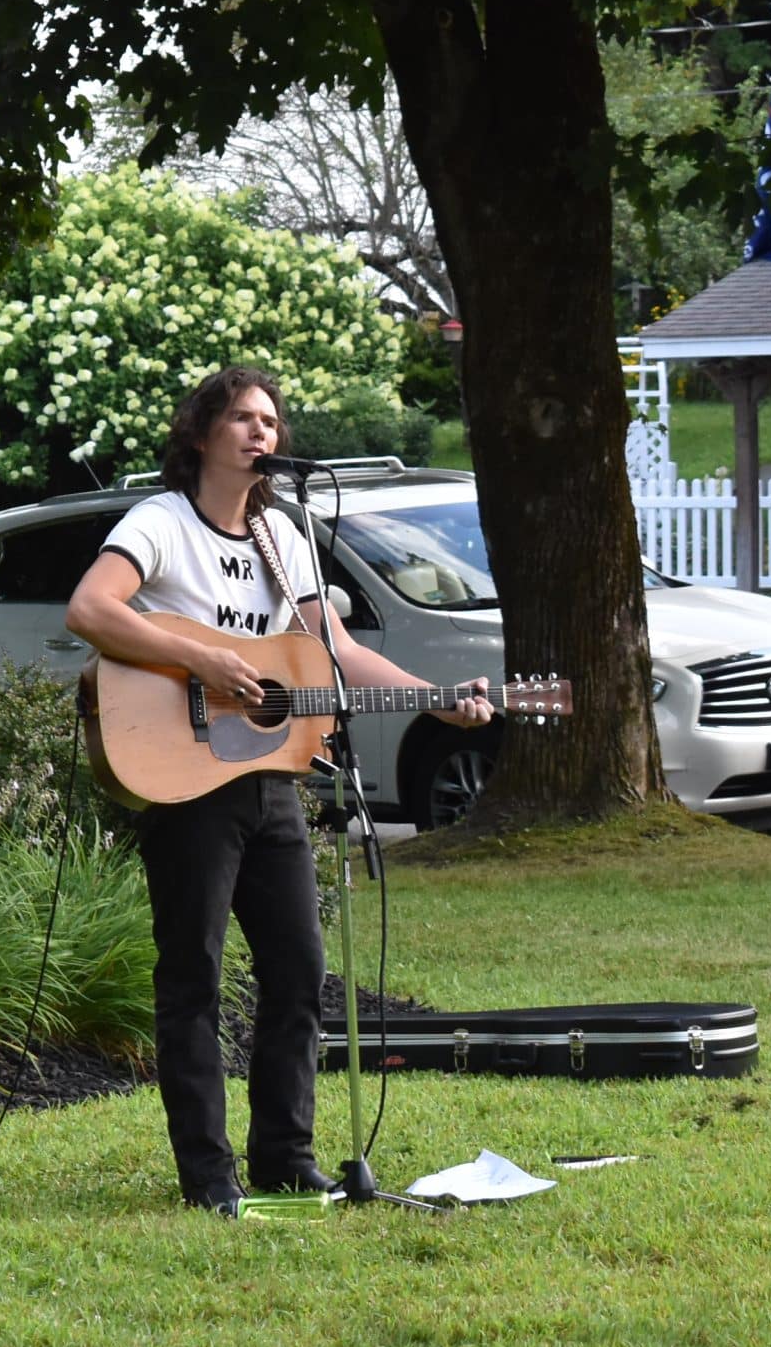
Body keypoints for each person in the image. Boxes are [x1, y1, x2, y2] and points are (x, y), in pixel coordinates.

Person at [65, 366, 492, 1214]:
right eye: (243, 419)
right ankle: (207, 1177)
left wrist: (433, 695)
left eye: (271, 421)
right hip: (186, 779)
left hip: (270, 783)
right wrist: (204, 657)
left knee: (299, 971)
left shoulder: (282, 536)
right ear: (200, 435)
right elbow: (91, 609)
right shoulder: (162, 523)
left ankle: (283, 1156)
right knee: (193, 974)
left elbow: (329, 650)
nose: (263, 434)